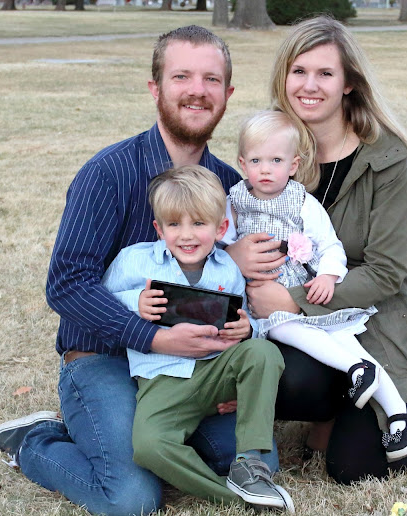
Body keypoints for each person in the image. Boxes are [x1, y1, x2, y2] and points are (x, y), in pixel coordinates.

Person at [0, 25, 278, 516]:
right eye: (181, 76)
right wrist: (153, 338)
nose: (197, 90)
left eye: (211, 79)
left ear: (227, 93)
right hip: (104, 358)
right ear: (155, 88)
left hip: (196, 369)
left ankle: (123, 436)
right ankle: (35, 441)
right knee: (131, 497)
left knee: (251, 460)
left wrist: (234, 362)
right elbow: (67, 284)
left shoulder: (231, 186)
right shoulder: (108, 173)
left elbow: (236, 286)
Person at [225, 16, 407, 484]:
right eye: (299, 71)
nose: (309, 85)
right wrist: (235, 257)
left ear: (348, 83)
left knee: (354, 468)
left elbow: (385, 273)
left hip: (380, 305)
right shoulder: (274, 146)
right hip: (299, 306)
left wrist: (291, 300)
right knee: (289, 380)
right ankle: (332, 407)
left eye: (325, 73)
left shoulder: (389, 160)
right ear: (284, 77)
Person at [224, 110, 407, 461]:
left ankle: (394, 408)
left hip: (304, 289)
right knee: (308, 333)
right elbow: (220, 245)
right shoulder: (236, 201)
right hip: (260, 294)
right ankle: (384, 396)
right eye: (256, 161)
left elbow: (330, 245)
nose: (265, 170)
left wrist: (328, 275)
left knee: (331, 334)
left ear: (294, 165)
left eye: (276, 161)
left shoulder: (301, 202)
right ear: (242, 163)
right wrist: (231, 254)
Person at [100, 165, 294, 512]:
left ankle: (250, 464)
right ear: (159, 228)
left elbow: (246, 318)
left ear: (220, 229)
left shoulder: (228, 269)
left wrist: (247, 329)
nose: (186, 235)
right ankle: (233, 497)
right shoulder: (134, 261)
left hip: (216, 370)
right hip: (162, 379)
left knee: (262, 352)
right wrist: (135, 301)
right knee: (148, 446)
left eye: (199, 224)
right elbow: (101, 303)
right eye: (174, 224)